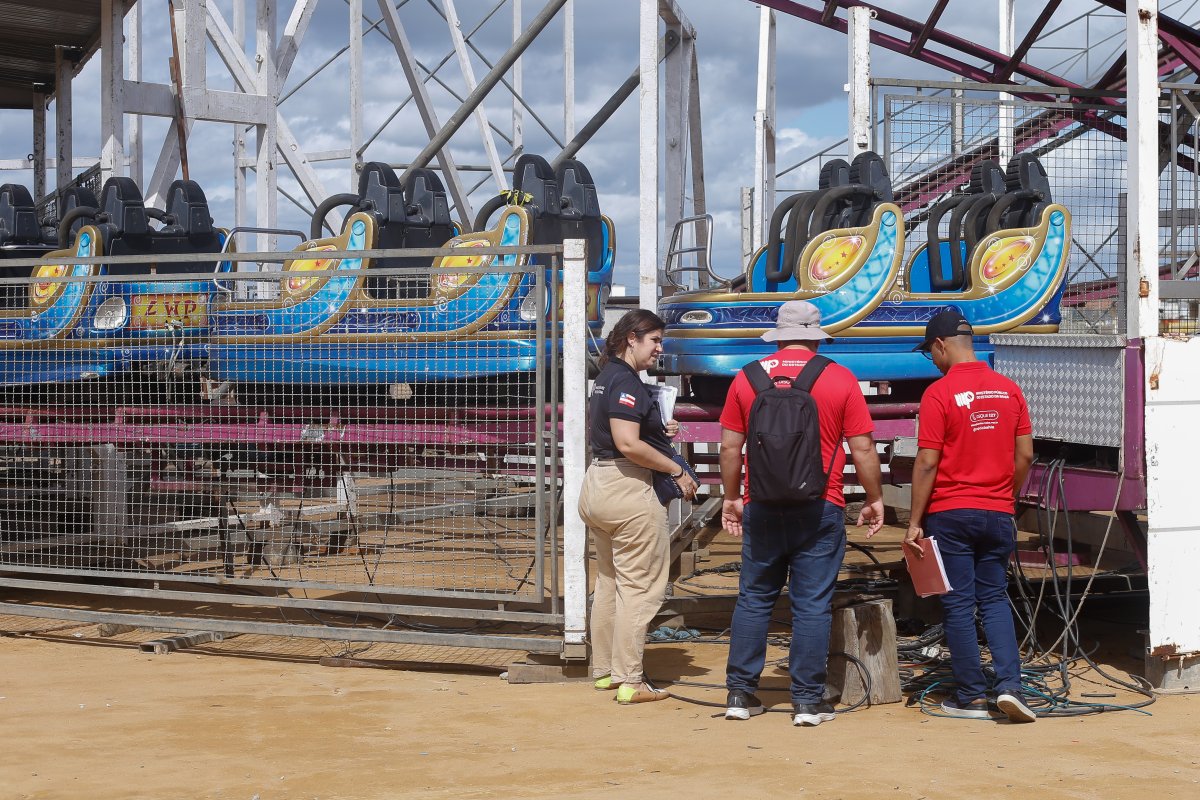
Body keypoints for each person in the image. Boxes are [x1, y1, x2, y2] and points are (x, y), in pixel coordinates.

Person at [718, 300, 884, 726]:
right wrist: (873, 498)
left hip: (761, 505)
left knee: (754, 598)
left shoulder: (747, 378)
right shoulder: (839, 378)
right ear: (816, 334)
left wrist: (733, 497)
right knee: (811, 605)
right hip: (820, 506)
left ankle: (740, 694)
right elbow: (862, 448)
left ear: (779, 333)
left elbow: (729, 448)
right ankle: (807, 702)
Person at [904, 308, 1036, 723]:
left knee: (959, 605)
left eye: (931, 352)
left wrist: (913, 521)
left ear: (941, 345)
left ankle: (972, 696)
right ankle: (1010, 687)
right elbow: (1027, 454)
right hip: (998, 513)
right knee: (994, 599)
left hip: (951, 513)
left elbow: (927, 462)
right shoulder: (1008, 390)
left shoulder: (939, 394)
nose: (933, 360)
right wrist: (1004, 499)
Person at [578, 308, 698, 705]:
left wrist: (657, 428)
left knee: (610, 582)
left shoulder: (608, 377)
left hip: (599, 485)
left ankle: (606, 672)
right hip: (627, 487)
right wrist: (675, 470)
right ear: (632, 338)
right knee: (641, 588)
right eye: (655, 341)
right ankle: (630, 679)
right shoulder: (626, 380)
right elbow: (628, 443)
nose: (659, 349)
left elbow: (618, 432)